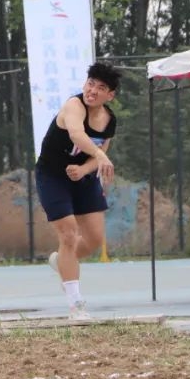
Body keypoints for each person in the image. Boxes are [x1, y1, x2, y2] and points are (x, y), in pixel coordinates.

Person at [37, 62, 120, 320]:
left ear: (110, 95)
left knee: (94, 240)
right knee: (69, 235)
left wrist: (85, 169)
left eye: (101, 88)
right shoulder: (74, 105)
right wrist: (99, 155)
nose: (92, 91)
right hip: (53, 176)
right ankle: (76, 304)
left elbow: (100, 154)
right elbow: (76, 135)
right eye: (90, 84)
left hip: (82, 178)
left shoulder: (109, 120)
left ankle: (60, 261)